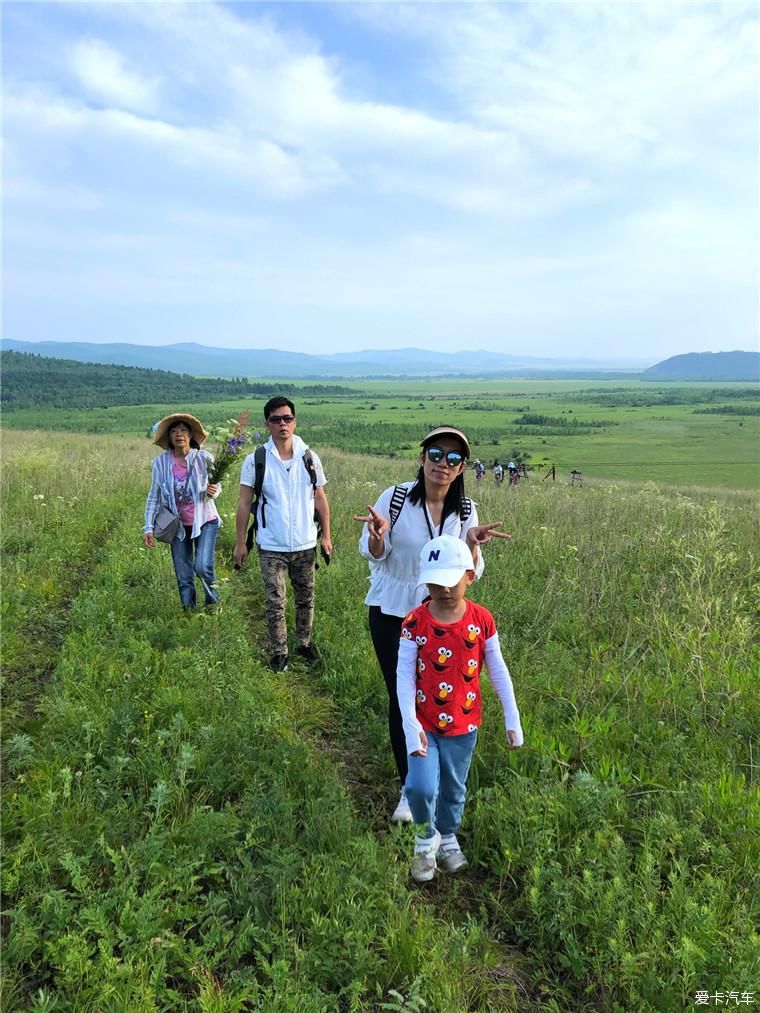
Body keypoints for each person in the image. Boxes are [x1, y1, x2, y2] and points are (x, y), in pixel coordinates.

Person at [354, 425, 509, 824]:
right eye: (436, 454)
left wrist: (472, 542)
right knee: (401, 696)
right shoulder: (396, 497)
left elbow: (469, 572)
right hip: (392, 610)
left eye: (454, 458)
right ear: (422, 458)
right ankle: (410, 788)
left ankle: (433, 780)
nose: (443, 463)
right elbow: (376, 553)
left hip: (440, 618)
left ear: (461, 469)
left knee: (436, 697)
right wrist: (375, 536)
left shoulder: (466, 510)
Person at [397, 534, 523, 882]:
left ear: (469, 575)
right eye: (435, 582)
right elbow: (403, 677)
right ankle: (425, 840)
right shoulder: (413, 622)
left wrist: (512, 716)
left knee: (454, 788)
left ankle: (447, 836)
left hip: (463, 725)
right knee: (420, 788)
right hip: (423, 723)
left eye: (451, 580)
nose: (444, 589)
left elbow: (498, 670)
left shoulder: (482, 620)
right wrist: (410, 727)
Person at [233, 396, 332, 672]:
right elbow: (243, 503)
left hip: (305, 542)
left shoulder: (310, 458)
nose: (283, 424)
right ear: (267, 424)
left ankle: (304, 643)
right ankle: (279, 652)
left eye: (287, 418)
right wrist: (241, 542)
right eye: (276, 419)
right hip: (271, 544)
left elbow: (320, 498)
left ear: (295, 422)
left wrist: (326, 536)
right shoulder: (257, 460)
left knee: (306, 597)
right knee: (275, 601)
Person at [144, 413, 222, 610]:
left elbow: (216, 484)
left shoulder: (204, 458)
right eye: (174, 431)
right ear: (169, 437)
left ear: (191, 435)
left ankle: (213, 605)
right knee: (183, 574)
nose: (179, 434)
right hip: (177, 525)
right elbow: (154, 496)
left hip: (205, 520)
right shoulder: (160, 464)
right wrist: (148, 527)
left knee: (202, 566)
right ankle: (189, 613)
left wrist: (214, 491)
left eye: (183, 430)